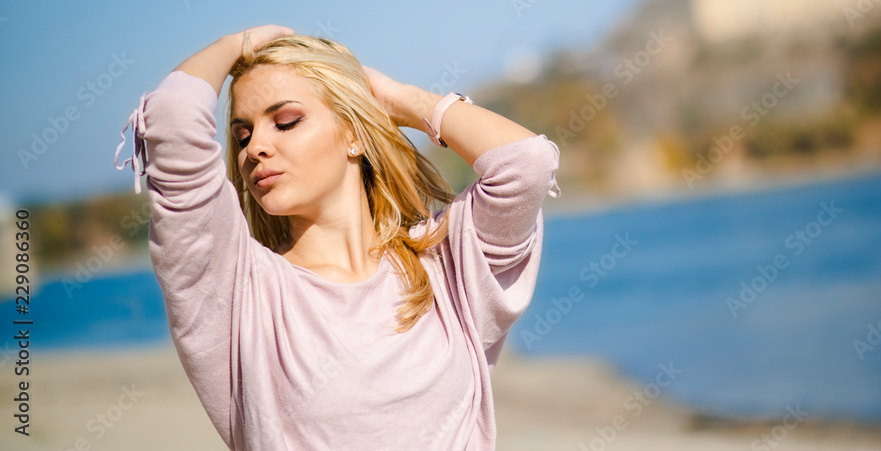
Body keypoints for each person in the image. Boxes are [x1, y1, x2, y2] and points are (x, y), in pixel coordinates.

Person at [112, 25, 561, 450]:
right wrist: (237, 43)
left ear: (353, 135)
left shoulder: (443, 263)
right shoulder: (235, 290)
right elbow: (171, 119)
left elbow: (526, 164)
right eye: (243, 134)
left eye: (285, 121)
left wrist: (399, 100)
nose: (254, 148)